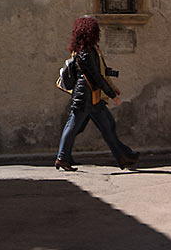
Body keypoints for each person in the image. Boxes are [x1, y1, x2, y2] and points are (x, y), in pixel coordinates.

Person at [55, 14, 139, 171]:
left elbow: (100, 70)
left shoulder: (89, 50)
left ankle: (122, 156)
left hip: (90, 96)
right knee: (74, 126)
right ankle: (62, 158)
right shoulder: (85, 52)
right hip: (86, 97)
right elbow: (96, 77)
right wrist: (112, 94)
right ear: (90, 31)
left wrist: (112, 82)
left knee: (106, 125)